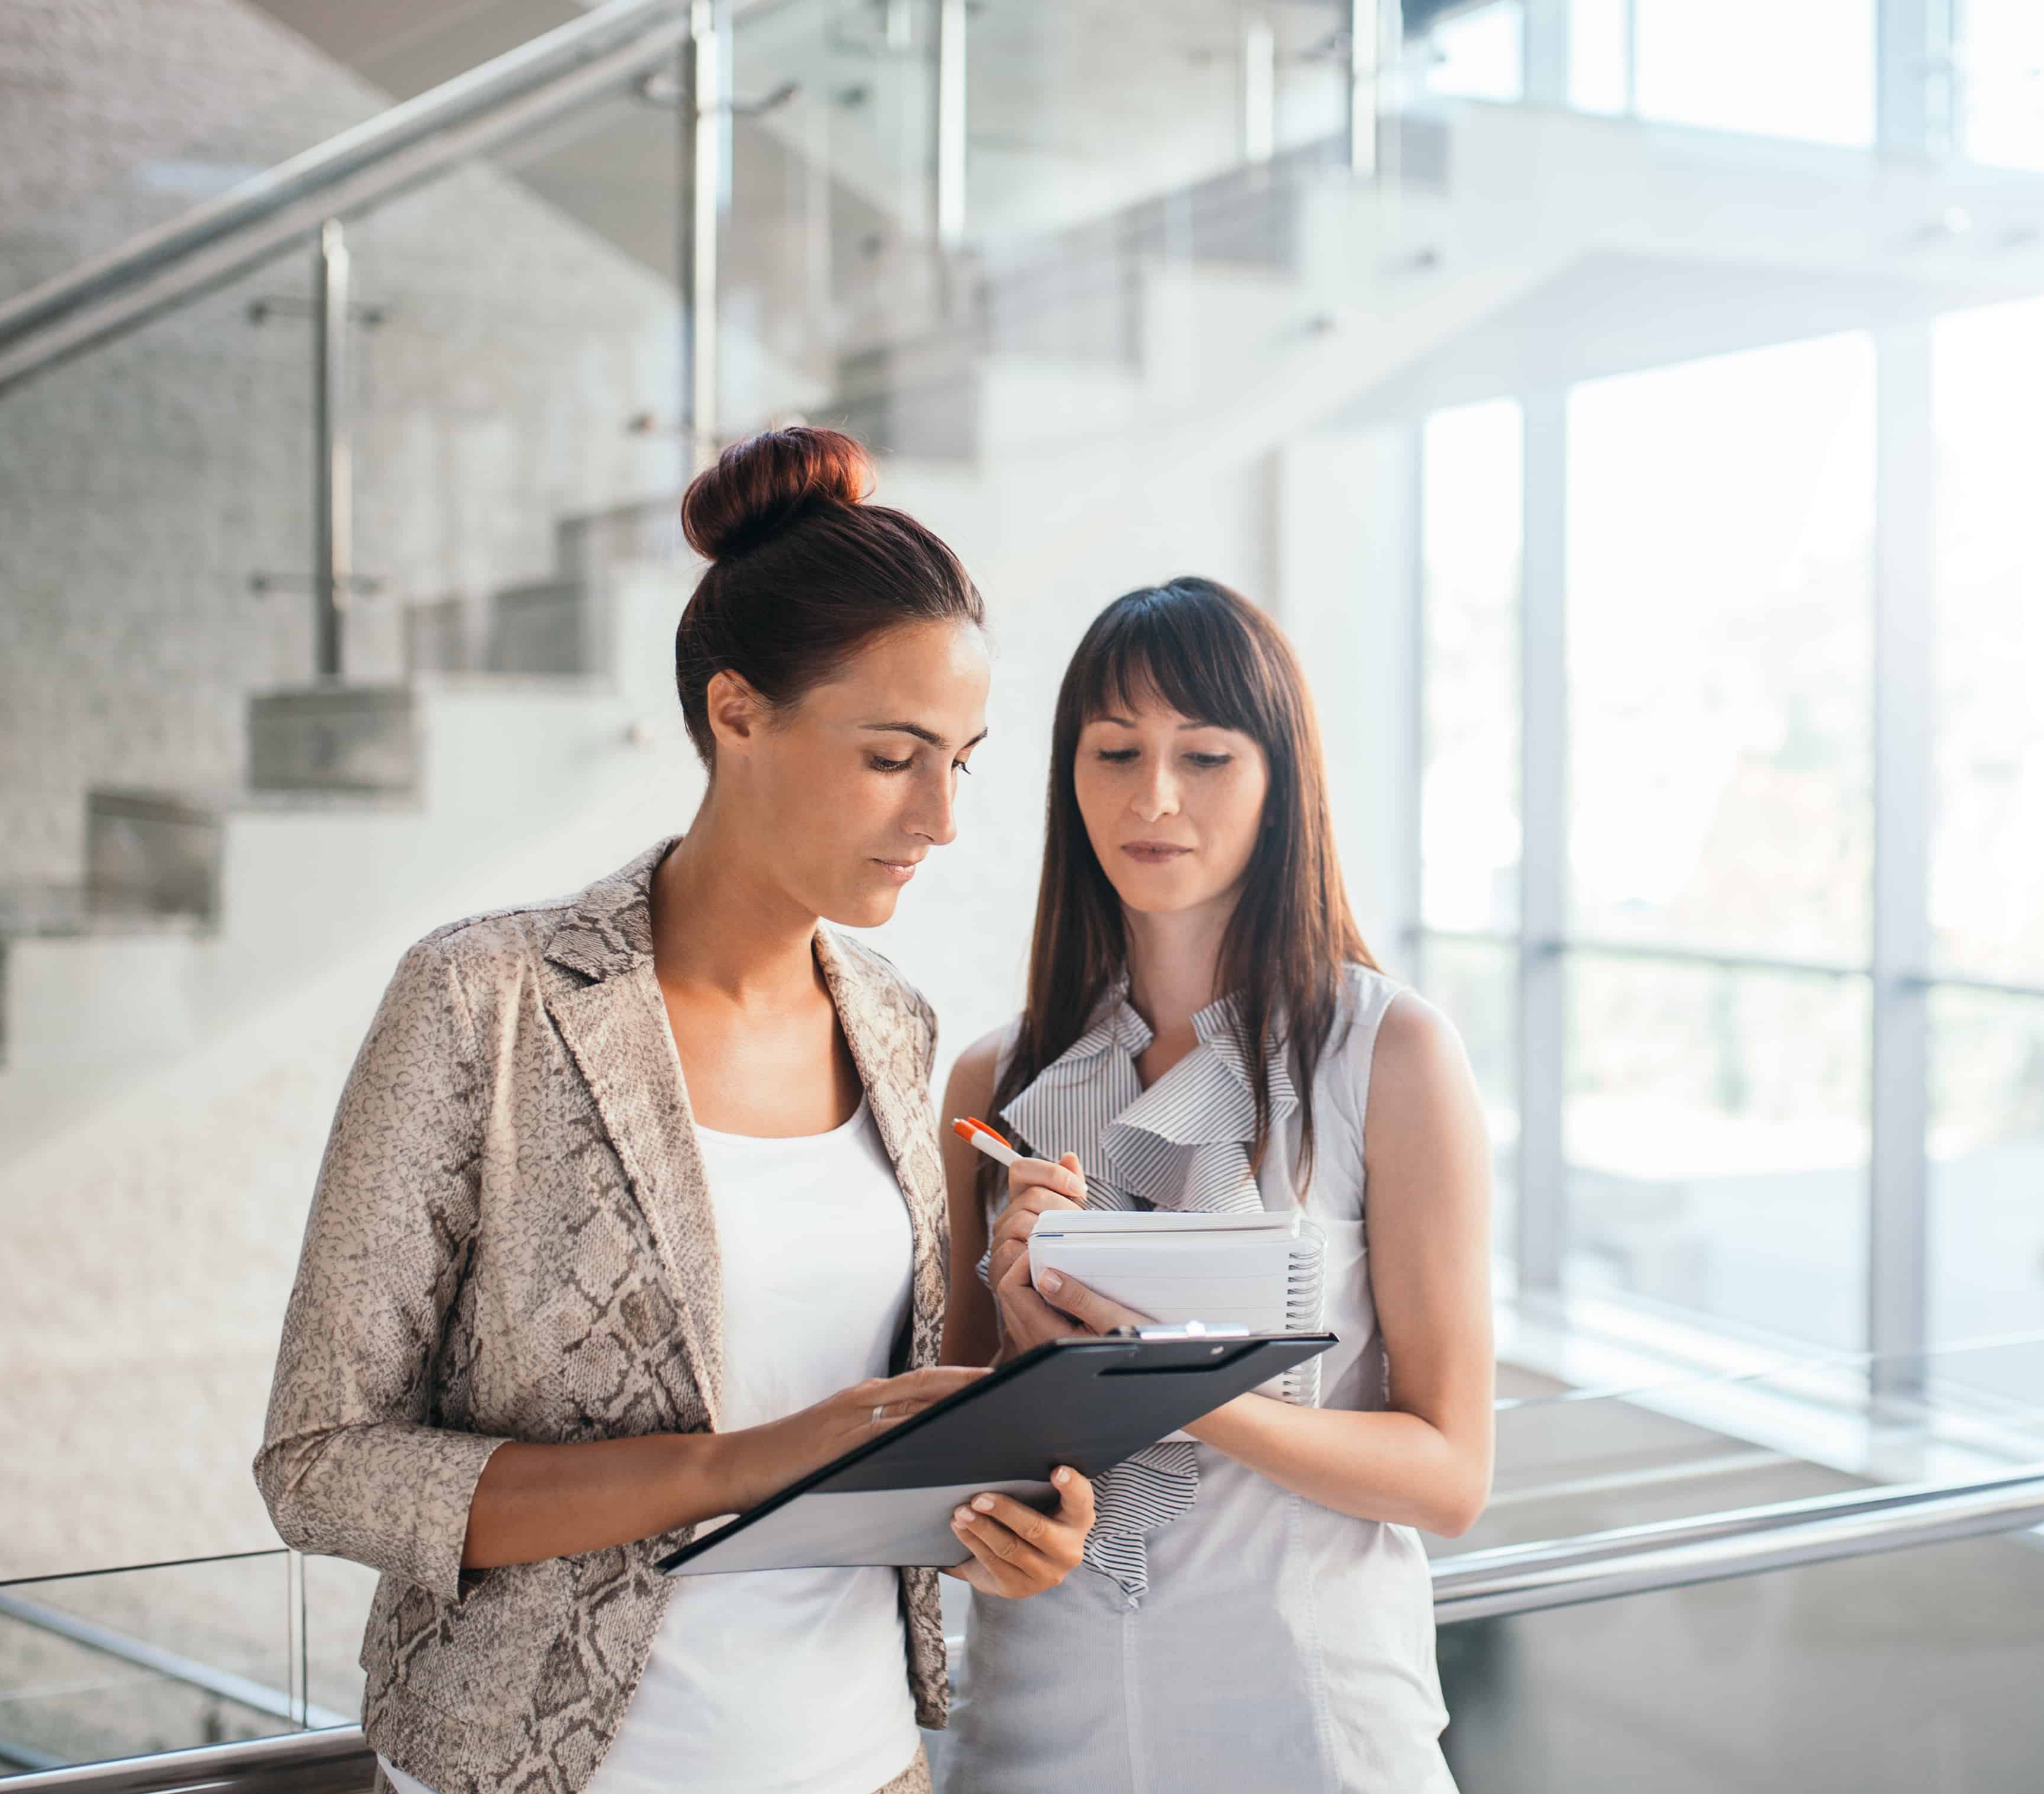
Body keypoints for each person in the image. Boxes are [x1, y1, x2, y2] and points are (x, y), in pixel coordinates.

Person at [256, 427, 1096, 1794]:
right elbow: (323, 1465)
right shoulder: (488, 1003)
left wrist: (1004, 1502)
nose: (942, 815)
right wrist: (749, 1463)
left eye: (963, 757)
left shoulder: (896, 1024)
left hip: (864, 1760)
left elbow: (874, 1431)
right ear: (736, 714)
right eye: (895, 755)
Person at [936, 575, 1496, 1793]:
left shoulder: (1387, 1054)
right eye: (1116, 751)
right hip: (1041, 1701)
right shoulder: (996, 1079)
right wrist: (1028, 1354)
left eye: (1206, 755)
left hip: (1306, 1706)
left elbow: (1451, 1475)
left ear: (1278, 779)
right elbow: (948, 1450)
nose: (1154, 797)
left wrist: (1162, 1379)